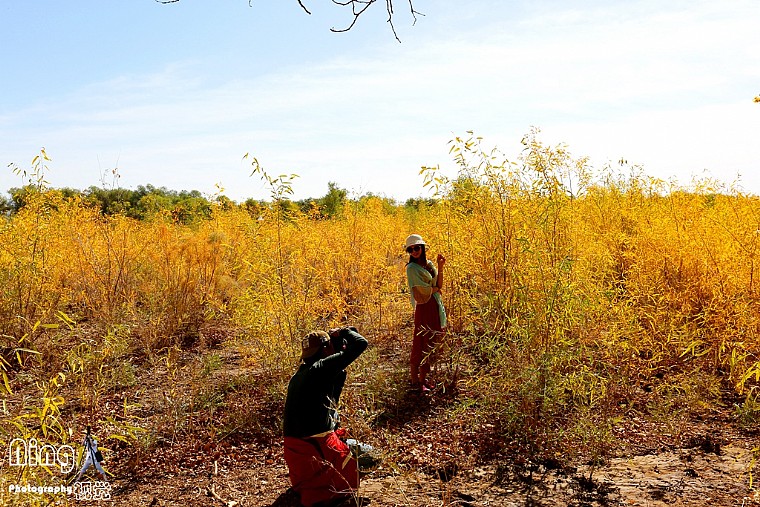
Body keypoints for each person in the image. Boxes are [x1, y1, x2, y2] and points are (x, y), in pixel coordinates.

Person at [283, 326, 368, 507]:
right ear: (325, 349)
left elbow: (331, 406)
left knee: (343, 439)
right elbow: (361, 344)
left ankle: (326, 481)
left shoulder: (300, 376)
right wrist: (344, 332)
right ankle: (337, 487)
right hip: (317, 449)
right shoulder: (320, 369)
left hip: (300, 459)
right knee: (371, 455)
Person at [405, 234, 447, 392]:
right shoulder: (411, 269)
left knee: (431, 340)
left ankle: (423, 378)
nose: (414, 251)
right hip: (424, 307)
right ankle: (415, 380)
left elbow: (438, 285)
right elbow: (422, 292)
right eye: (410, 250)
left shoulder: (428, 264)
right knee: (421, 340)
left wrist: (440, 267)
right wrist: (434, 289)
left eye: (417, 248)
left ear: (422, 248)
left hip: (434, 305)